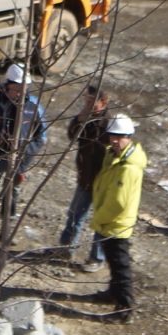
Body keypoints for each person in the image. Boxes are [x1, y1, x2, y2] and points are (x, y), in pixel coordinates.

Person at [0, 64, 47, 227]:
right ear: (7, 86)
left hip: (19, 160)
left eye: (23, 90)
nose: (19, 94)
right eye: (16, 89)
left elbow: (41, 137)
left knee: (12, 193)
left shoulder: (33, 106)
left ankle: (7, 229)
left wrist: (24, 161)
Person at [88, 113, 147, 320]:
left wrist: (99, 219)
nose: (114, 140)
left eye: (119, 137)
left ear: (129, 137)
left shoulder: (128, 167)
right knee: (114, 263)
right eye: (112, 136)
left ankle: (125, 310)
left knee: (120, 266)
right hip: (109, 220)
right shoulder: (113, 156)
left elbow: (118, 203)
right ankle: (113, 295)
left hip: (115, 223)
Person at [57, 85, 110, 269]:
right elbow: (72, 137)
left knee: (101, 222)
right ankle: (65, 248)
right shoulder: (85, 119)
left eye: (91, 102)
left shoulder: (110, 125)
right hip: (85, 179)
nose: (87, 105)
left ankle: (97, 258)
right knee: (75, 215)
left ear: (103, 103)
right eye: (86, 101)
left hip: (103, 183)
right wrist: (79, 121)